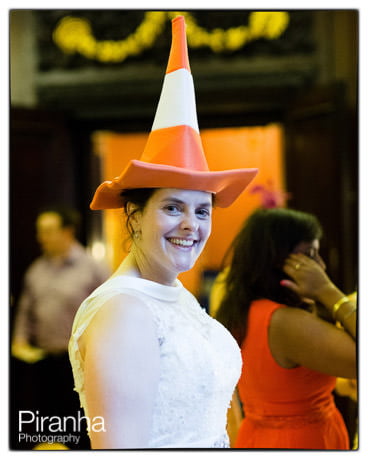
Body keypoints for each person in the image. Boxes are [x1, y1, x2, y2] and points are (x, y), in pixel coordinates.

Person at [68, 16, 258, 449]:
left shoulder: (174, 294)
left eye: (202, 210)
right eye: (173, 207)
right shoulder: (123, 310)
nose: (192, 225)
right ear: (134, 215)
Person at [214, 207, 356, 449]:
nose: (320, 266)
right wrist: (327, 291)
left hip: (261, 436)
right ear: (279, 261)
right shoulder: (284, 323)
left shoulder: (244, 308)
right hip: (300, 441)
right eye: (310, 255)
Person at [12, 205, 109, 449]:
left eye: (47, 231)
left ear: (67, 232)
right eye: (39, 231)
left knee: (81, 426)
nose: (40, 237)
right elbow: (26, 309)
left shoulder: (92, 267)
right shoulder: (36, 269)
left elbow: (110, 308)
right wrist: (19, 339)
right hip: (44, 362)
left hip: (82, 363)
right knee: (49, 426)